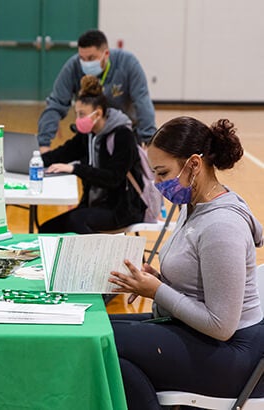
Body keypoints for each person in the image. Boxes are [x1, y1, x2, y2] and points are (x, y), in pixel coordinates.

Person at [108, 116, 264, 409]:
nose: (157, 183)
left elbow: (221, 325)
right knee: (97, 329)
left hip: (233, 353)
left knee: (105, 345)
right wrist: (159, 280)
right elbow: (197, 284)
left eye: (163, 172)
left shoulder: (222, 225)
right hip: (198, 334)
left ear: (194, 165)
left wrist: (157, 290)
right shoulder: (193, 205)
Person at [38, 75, 145, 234]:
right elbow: (62, 154)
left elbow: (113, 178)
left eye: (82, 114)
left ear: (98, 113)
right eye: (77, 114)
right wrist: (33, 160)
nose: (78, 119)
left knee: (76, 222)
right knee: (48, 229)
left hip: (123, 209)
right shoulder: (87, 135)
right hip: (94, 205)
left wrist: (76, 168)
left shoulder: (123, 136)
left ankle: (98, 258)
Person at [37, 29, 156, 151]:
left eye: (91, 58)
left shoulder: (128, 63)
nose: (86, 63)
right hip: (89, 133)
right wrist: (44, 143)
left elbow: (142, 101)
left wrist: (148, 140)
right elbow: (56, 104)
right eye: (82, 58)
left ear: (106, 54)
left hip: (124, 133)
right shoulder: (73, 66)